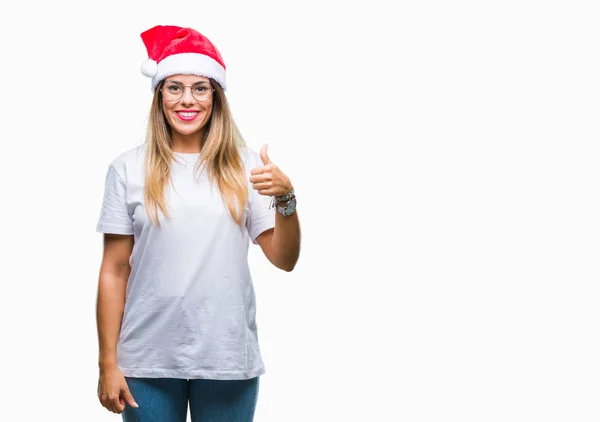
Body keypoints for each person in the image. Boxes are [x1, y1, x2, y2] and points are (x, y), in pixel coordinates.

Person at [95, 25, 301, 422]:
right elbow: (114, 270)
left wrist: (286, 199)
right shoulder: (127, 168)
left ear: (216, 97)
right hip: (146, 359)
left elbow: (284, 258)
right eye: (174, 87)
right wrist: (107, 362)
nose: (186, 99)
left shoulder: (246, 166)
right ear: (159, 96)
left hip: (225, 354)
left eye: (200, 88)